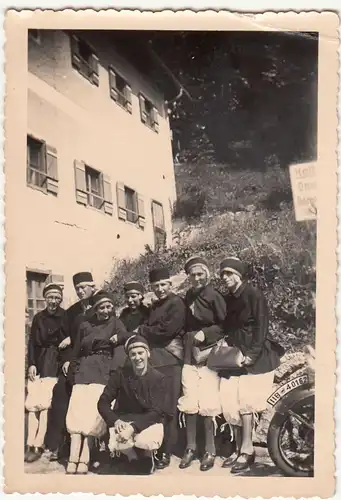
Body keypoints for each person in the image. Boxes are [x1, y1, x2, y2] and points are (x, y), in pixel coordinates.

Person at [218, 257, 284, 473]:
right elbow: (227, 327)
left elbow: (261, 327)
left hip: (255, 356)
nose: (225, 277)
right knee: (229, 400)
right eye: (222, 274)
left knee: (245, 401)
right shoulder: (229, 298)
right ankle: (237, 449)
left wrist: (252, 356)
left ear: (239, 274)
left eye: (229, 273)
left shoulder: (253, 294)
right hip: (236, 355)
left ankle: (247, 450)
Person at [65, 290, 127, 474]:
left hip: (103, 371)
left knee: (92, 414)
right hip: (83, 371)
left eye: (109, 306)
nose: (106, 310)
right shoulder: (85, 325)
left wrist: (113, 372)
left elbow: (126, 338)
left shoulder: (116, 323)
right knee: (77, 412)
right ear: (95, 309)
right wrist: (73, 372)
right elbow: (76, 351)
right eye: (102, 307)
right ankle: (72, 458)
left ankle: (84, 458)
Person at [178, 256, 227, 471]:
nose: (197, 278)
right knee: (190, 399)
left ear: (207, 275)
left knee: (207, 401)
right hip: (189, 351)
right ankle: (190, 447)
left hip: (209, 352)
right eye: (193, 275)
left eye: (200, 274)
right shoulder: (188, 295)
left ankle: (210, 450)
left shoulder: (215, 296)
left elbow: (226, 325)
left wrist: (205, 333)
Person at [97, 335, 173, 475]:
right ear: (129, 357)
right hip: (125, 420)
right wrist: (116, 421)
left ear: (148, 354)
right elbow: (103, 402)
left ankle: (148, 455)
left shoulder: (159, 378)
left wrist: (134, 427)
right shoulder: (120, 375)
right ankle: (131, 457)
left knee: (145, 441)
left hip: (149, 421)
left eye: (140, 353)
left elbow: (157, 412)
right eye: (133, 354)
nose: (137, 358)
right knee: (118, 441)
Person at [45, 272, 98, 460]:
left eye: (84, 287)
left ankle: (92, 447)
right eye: (77, 289)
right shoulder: (71, 312)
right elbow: (62, 340)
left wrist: (73, 339)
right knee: (60, 390)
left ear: (93, 287)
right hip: (75, 360)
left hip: (97, 360)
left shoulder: (102, 305)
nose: (80, 291)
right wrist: (67, 360)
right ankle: (57, 444)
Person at [136, 267, 186, 470]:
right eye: (156, 286)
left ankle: (167, 450)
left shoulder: (177, 303)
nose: (160, 289)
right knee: (154, 407)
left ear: (170, 284)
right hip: (155, 362)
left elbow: (167, 331)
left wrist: (143, 330)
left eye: (163, 284)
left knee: (169, 409)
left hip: (171, 362)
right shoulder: (155, 306)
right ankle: (152, 449)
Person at [25, 283, 67, 463]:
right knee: (32, 405)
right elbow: (32, 343)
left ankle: (39, 444)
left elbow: (69, 338)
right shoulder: (38, 318)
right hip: (39, 361)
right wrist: (31, 364)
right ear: (45, 298)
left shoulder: (65, 316)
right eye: (50, 297)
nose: (54, 301)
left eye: (57, 297)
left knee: (44, 406)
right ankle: (29, 443)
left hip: (54, 362)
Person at [112, 281, 150, 371]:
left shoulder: (147, 312)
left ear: (140, 296)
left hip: (141, 344)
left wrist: (122, 336)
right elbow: (119, 329)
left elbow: (143, 332)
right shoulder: (125, 313)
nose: (130, 300)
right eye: (127, 297)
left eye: (133, 297)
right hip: (126, 344)